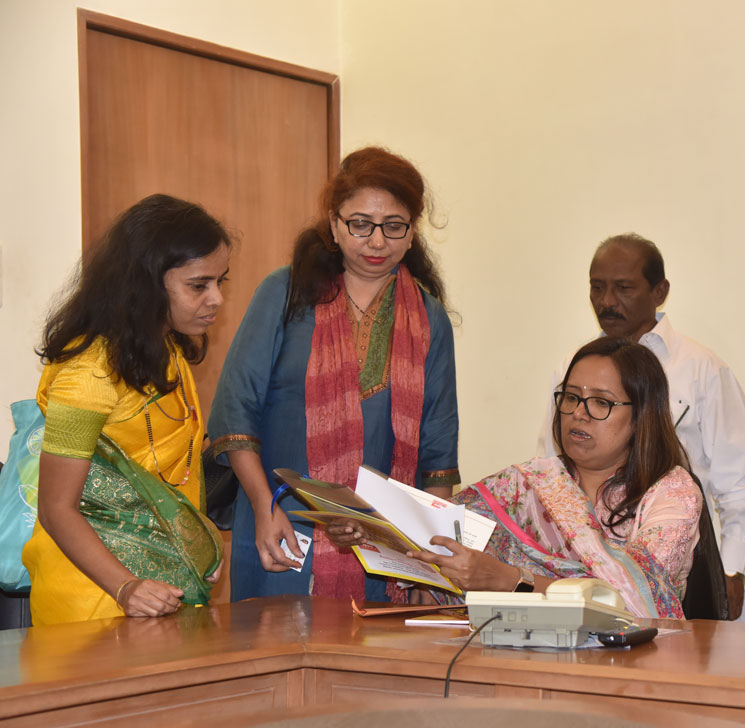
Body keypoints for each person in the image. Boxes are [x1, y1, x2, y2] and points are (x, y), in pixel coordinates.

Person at [208, 147, 459, 604]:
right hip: (281, 527)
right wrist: (265, 508)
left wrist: (426, 558)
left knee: (368, 671)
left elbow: (438, 452)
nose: (377, 242)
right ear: (334, 223)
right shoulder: (284, 294)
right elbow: (235, 412)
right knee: (274, 659)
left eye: (393, 227)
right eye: (360, 224)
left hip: (384, 549)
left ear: (412, 232)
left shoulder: (429, 318)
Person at [331, 338, 708, 618]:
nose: (579, 413)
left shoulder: (672, 492)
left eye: (601, 402)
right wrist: (370, 528)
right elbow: (438, 533)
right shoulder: (530, 484)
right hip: (526, 659)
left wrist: (511, 580)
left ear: (642, 415)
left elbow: (634, 602)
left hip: (631, 669)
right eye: (572, 397)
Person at [23, 194, 228, 626]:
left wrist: (199, 542)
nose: (216, 299)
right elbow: (57, 508)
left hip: (166, 589)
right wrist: (126, 587)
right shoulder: (89, 375)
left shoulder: (167, 352)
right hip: (94, 598)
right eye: (199, 285)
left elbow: (176, 470)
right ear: (147, 283)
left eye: (219, 282)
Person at [536, 234, 745, 618]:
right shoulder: (573, 366)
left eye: (623, 288)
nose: (607, 301)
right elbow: (551, 464)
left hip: (678, 561)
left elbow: (737, 479)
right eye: (597, 287)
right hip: (576, 567)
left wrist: (732, 568)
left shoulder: (701, 368)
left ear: (660, 291)